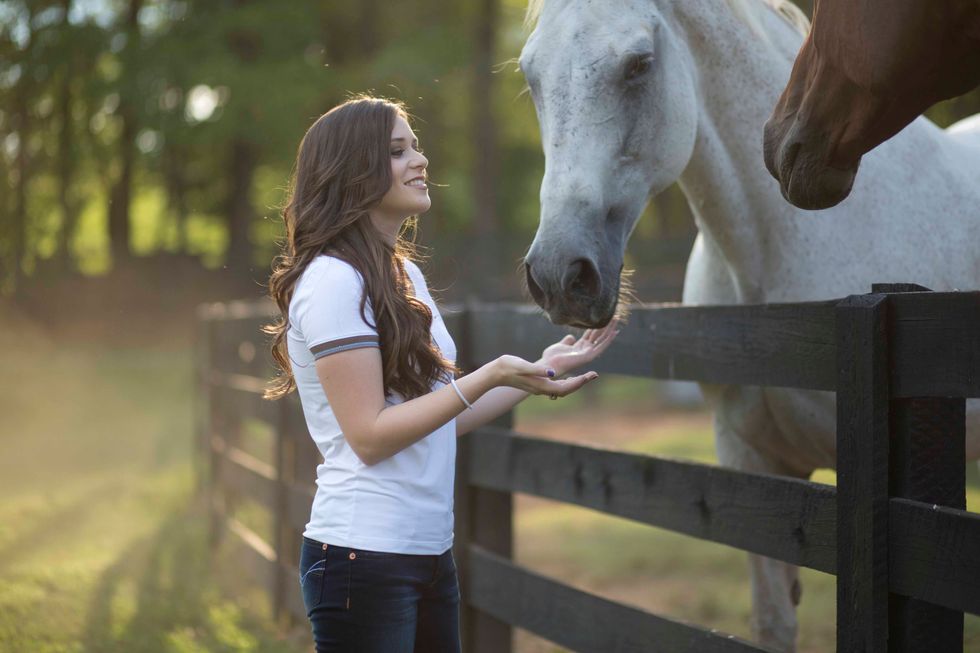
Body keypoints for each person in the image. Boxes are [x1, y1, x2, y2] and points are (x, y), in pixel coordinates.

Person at [263, 94, 620, 653]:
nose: (421, 160)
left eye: (417, 146)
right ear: (353, 169)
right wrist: (491, 373)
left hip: (428, 553)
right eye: (398, 151)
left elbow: (434, 420)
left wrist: (540, 369)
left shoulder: (400, 273)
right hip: (364, 558)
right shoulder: (332, 280)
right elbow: (371, 436)